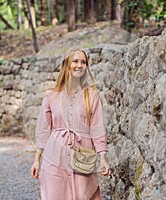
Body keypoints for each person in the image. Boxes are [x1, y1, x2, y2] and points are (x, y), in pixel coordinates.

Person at [30, 48, 111, 200]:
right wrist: (37, 159)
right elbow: (43, 129)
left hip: (82, 156)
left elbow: (97, 128)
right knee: (55, 194)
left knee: (83, 196)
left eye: (83, 62)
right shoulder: (51, 96)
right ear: (67, 65)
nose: (79, 65)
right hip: (54, 156)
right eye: (75, 61)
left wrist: (103, 157)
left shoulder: (91, 95)